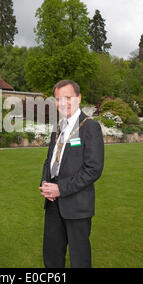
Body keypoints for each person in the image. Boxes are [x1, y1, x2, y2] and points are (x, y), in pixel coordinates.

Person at [39, 80, 104, 268]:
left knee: (79, 259)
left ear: (79, 98)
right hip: (53, 204)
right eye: (59, 99)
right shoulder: (58, 127)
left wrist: (61, 188)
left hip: (77, 205)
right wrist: (45, 183)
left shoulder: (90, 127)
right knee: (51, 256)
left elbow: (93, 168)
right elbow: (50, 160)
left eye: (68, 98)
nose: (63, 103)